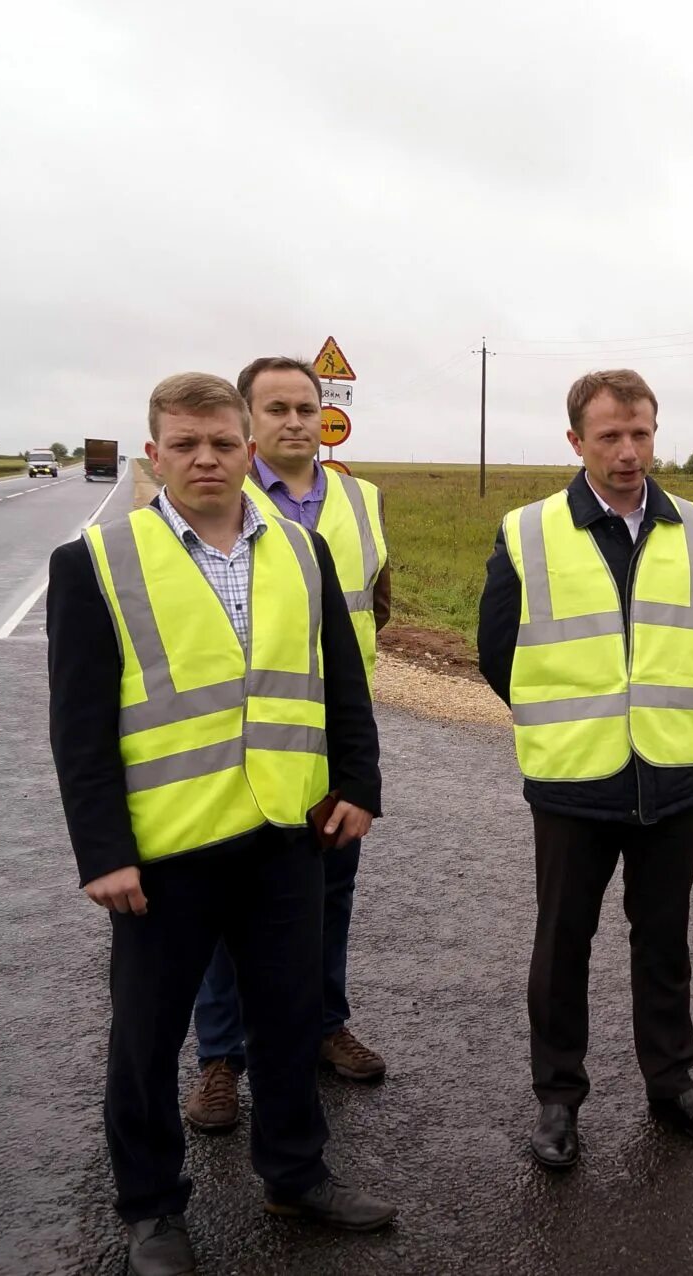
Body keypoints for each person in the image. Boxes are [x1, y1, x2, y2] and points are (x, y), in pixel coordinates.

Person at [48, 373, 395, 1276]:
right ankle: (152, 1208)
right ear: (154, 455)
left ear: (249, 450)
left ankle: (295, 1175)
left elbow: (341, 682)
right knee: (145, 1039)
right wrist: (102, 852)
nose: (207, 459)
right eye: (186, 444)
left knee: (289, 1020)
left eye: (223, 443)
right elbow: (78, 725)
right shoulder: (96, 561)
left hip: (285, 833)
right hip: (166, 853)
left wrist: (359, 780)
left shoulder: (301, 550)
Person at [478, 368, 693, 1169]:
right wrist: (571, 718)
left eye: (642, 435)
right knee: (563, 944)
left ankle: (672, 1082)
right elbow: (498, 654)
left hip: (670, 771)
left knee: (664, 940)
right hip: (573, 777)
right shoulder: (528, 530)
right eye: (609, 437)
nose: (629, 453)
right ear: (575, 441)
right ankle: (559, 1100)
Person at [182, 356, 392, 1138]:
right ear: (245, 422)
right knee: (221, 910)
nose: (296, 422)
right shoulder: (212, 502)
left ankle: (322, 1026)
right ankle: (221, 1059)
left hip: (329, 742)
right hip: (231, 746)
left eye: (306, 407)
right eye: (276, 409)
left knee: (329, 896)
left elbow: (376, 609)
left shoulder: (363, 501)